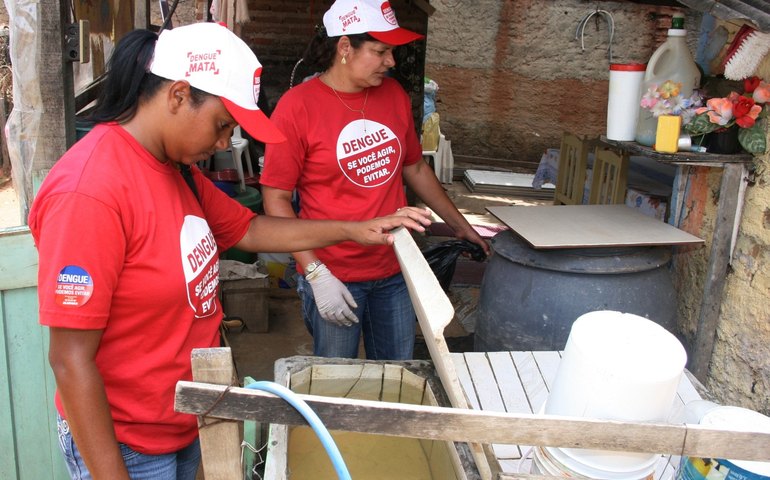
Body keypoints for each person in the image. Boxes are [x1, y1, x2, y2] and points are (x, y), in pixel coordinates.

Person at [28, 22, 431, 480]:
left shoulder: (175, 169)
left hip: (185, 419)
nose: (224, 143)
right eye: (222, 125)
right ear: (178, 95)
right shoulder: (89, 193)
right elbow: (70, 359)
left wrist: (355, 230)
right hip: (129, 443)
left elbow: (250, 229)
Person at [260, 0, 490, 361]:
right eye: (380, 51)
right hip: (334, 270)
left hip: (395, 266)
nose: (391, 62)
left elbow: (415, 168)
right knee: (337, 381)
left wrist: (461, 226)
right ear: (345, 47)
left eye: (391, 52)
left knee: (396, 373)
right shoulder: (297, 107)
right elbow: (275, 198)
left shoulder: (393, 95)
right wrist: (315, 272)